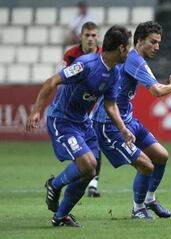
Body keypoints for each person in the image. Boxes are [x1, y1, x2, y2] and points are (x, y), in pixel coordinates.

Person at [25, 25, 134, 227]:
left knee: (91, 171)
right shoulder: (86, 64)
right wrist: (36, 110)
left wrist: (122, 128)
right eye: (129, 47)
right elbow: (51, 81)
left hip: (83, 123)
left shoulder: (114, 73)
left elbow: (110, 105)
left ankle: (60, 216)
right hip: (62, 119)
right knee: (87, 164)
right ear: (121, 48)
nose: (130, 51)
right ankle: (54, 185)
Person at [91, 21, 171, 219]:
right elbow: (156, 90)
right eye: (152, 42)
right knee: (146, 165)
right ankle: (138, 209)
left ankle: (149, 200)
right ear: (139, 41)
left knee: (162, 156)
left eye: (158, 43)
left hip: (129, 120)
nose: (157, 47)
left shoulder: (133, 59)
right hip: (109, 125)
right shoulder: (134, 60)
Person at [59, 21, 103, 198]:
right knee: (81, 147)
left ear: (98, 37)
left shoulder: (103, 54)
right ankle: (80, 176)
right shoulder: (71, 55)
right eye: (87, 35)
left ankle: (93, 183)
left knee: (96, 143)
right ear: (81, 36)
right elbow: (60, 78)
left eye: (94, 35)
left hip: (96, 103)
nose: (91, 39)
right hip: (76, 106)